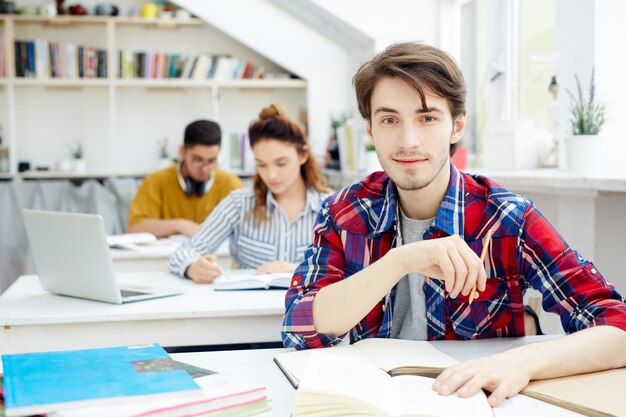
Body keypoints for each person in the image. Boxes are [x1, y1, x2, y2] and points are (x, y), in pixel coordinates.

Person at [282, 42, 626, 407]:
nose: (408, 141)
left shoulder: (507, 217)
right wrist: (402, 260)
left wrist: (519, 362)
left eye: (427, 118)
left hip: (474, 404)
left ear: (456, 126)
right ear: (370, 130)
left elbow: (617, 325)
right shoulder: (344, 211)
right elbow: (299, 328)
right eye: (389, 120)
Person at [169, 104, 331, 283]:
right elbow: (182, 253)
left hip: (309, 309)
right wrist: (192, 267)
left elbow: (353, 272)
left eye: (281, 163)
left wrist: (302, 271)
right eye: (261, 164)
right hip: (248, 308)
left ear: (303, 155)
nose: (271, 175)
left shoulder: (331, 208)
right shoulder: (239, 204)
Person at [128, 120, 243, 237]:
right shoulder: (155, 181)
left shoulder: (231, 184)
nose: (204, 168)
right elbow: (135, 227)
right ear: (182, 151)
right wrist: (180, 225)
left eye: (211, 161)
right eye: (197, 160)